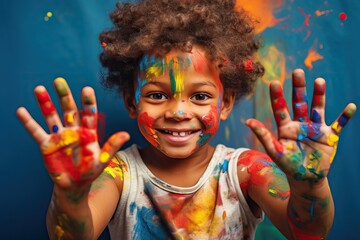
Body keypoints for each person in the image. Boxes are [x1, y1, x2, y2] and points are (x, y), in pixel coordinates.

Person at [16, 0, 357, 239]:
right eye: (157, 95)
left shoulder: (245, 171)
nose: (179, 112)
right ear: (130, 102)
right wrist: (70, 194)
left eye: (200, 96)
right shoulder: (119, 175)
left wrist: (311, 185)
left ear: (226, 103)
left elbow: (308, 233)